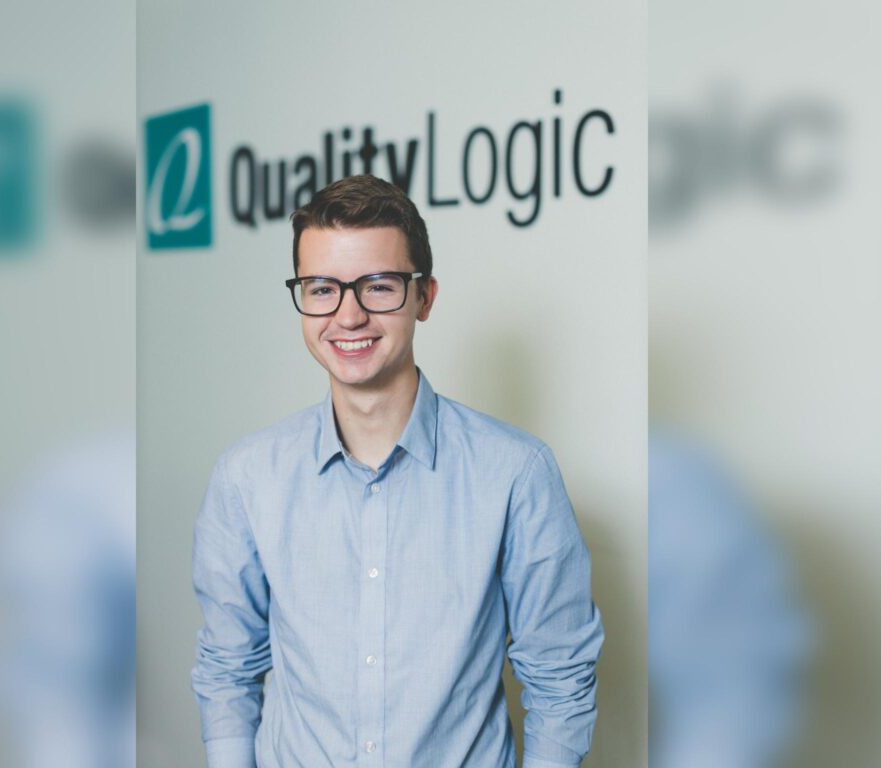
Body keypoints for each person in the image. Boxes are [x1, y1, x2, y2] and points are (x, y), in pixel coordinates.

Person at [191, 174, 603, 768]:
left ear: (425, 297)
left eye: (378, 286)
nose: (348, 314)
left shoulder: (517, 473)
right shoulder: (246, 478)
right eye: (322, 288)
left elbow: (561, 677)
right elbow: (228, 669)